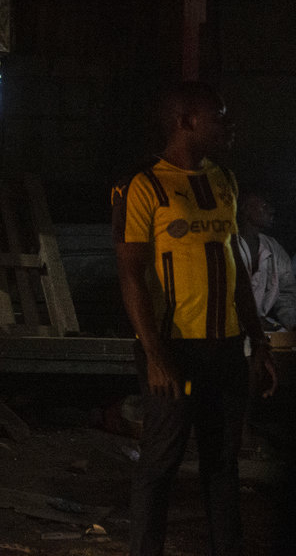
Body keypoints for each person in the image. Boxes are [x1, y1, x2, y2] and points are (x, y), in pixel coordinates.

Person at [112, 81, 278, 556]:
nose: (228, 125)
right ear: (186, 121)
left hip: (224, 349)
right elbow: (131, 277)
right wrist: (156, 356)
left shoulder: (224, 180)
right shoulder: (143, 185)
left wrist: (257, 341)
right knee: (161, 462)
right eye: (218, 115)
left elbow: (235, 269)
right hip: (174, 350)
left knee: (222, 463)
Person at [234, 189, 296, 331]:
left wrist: (292, 323)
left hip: (262, 326)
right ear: (245, 208)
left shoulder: (274, 248)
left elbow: (286, 293)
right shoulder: (226, 246)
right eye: (264, 205)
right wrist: (249, 320)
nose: (271, 210)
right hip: (230, 327)